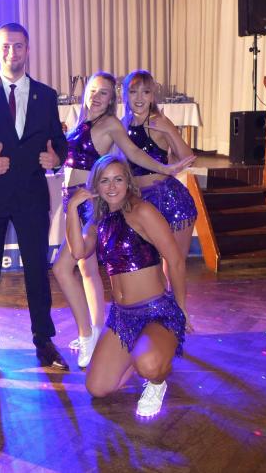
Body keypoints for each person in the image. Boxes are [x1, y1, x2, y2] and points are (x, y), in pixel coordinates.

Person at [53, 71, 194, 368]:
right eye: (93, 90)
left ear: (112, 99)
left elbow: (135, 153)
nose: (96, 96)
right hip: (80, 200)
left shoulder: (115, 124)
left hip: (99, 200)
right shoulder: (88, 123)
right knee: (88, 269)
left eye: (103, 92)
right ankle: (95, 332)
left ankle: (165, 323)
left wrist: (166, 168)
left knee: (169, 264)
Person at [0, 22, 69, 377]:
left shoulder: (46, 96)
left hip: (32, 196)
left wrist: (56, 158)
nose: (12, 52)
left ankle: (44, 341)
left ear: (28, 49)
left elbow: (59, 143)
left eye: (18, 46)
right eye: (5, 46)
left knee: (37, 271)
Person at [65, 155, 191, 417]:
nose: (112, 187)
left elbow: (176, 261)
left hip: (157, 312)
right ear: (96, 185)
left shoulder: (142, 211)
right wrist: (72, 208)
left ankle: (157, 382)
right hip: (122, 316)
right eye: (105, 181)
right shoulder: (97, 222)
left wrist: (181, 309)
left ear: (128, 182)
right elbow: (78, 251)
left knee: (150, 366)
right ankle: (140, 354)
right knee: (97, 387)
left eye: (118, 179)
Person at [122, 70, 198, 279]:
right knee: (148, 267)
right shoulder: (122, 124)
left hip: (169, 200)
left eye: (145, 92)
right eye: (133, 92)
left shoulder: (158, 122)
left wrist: (169, 129)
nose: (139, 98)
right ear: (124, 94)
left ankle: (177, 301)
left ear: (152, 95)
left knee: (174, 265)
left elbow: (188, 157)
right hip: (138, 200)